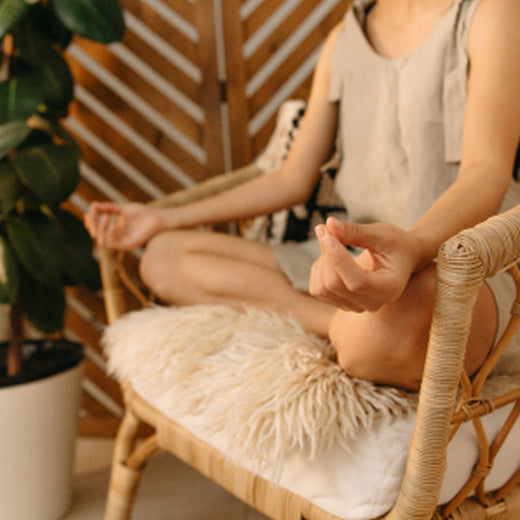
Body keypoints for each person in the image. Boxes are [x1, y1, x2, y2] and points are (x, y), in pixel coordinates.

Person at [85, 0, 520, 391]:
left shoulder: (493, 13)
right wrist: (164, 218)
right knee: (162, 258)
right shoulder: (343, 38)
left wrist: (411, 248)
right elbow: (290, 179)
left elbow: (487, 170)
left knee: (387, 332)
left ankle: (362, 329)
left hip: (464, 258)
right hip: (358, 256)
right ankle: (342, 323)